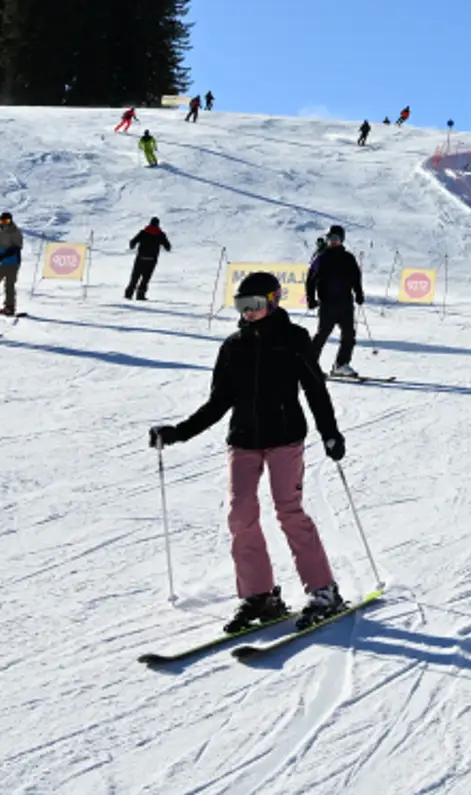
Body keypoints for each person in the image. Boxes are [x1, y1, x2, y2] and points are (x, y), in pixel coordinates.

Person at [148, 271, 350, 634]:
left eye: (254, 305)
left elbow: (315, 390)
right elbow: (218, 402)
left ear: (272, 301)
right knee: (240, 514)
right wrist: (177, 433)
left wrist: (330, 433)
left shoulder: (294, 339)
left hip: (285, 437)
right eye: (242, 305)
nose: (248, 312)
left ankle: (324, 590)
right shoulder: (233, 346)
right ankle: (260, 595)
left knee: (288, 511)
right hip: (243, 440)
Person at [306, 225, 366, 376]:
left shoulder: (348, 258)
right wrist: (311, 299)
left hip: (345, 303)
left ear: (341, 240)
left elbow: (356, 278)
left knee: (349, 335)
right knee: (322, 335)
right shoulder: (321, 258)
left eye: (335, 239)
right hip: (327, 304)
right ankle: (309, 365)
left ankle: (341, 364)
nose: (332, 241)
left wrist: (359, 293)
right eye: (330, 238)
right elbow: (310, 280)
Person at [124, 216, 171, 300]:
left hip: (140, 258)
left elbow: (132, 242)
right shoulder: (161, 235)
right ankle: (140, 295)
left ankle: (128, 295)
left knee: (134, 277)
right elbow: (168, 247)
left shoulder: (143, 233)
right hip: (151, 260)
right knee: (145, 279)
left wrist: (132, 246)